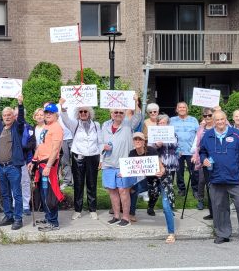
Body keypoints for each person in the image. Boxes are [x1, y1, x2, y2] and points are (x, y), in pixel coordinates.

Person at [199, 110, 239, 247]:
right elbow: (202, 151)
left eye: (222, 119)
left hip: (235, 178)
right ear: (213, 120)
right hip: (216, 178)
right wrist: (204, 159)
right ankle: (222, 234)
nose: (220, 122)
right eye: (217, 120)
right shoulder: (208, 136)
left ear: (226, 119)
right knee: (220, 208)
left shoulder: (236, 135)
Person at [100, 97, 143, 227]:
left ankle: (126, 217)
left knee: (123, 191)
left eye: (120, 112)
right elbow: (100, 142)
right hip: (108, 164)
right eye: (115, 112)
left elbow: (138, 116)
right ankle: (116, 216)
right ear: (111, 114)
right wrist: (103, 147)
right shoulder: (105, 125)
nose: (118, 114)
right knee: (112, 191)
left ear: (124, 114)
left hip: (123, 164)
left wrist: (135, 102)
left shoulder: (128, 124)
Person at [127, 131, 176, 242]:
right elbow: (130, 168)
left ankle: (171, 233)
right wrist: (123, 173)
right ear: (133, 141)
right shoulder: (132, 153)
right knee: (133, 190)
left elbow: (161, 166)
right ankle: (132, 213)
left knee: (165, 206)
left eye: (140, 139)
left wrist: (162, 171)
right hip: (150, 180)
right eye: (135, 139)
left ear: (144, 141)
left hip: (163, 179)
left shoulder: (151, 150)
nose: (138, 141)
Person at [58, 99, 102, 221]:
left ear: (89, 113)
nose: (83, 113)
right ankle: (78, 210)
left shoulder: (96, 125)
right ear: (78, 113)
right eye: (81, 111)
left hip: (93, 155)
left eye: (85, 111)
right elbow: (65, 118)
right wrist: (62, 106)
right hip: (78, 156)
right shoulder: (75, 124)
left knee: (92, 183)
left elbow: (100, 142)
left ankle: (93, 209)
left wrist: (101, 159)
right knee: (78, 183)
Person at [29, 102, 65, 232]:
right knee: (43, 193)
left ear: (56, 115)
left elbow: (55, 150)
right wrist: (33, 160)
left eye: (51, 113)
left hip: (49, 165)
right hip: (41, 163)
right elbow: (41, 146)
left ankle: (53, 222)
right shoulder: (46, 127)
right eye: (46, 113)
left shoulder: (56, 128)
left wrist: (48, 166)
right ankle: (48, 217)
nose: (48, 115)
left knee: (50, 193)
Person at [0, 95, 26, 230]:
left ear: (13, 117)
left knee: (16, 194)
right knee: (5, 194)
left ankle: (18, 218)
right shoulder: (1, 129)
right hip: (1, 167)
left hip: (13, 167)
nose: (7, 117)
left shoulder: (17, 128)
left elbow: (21, 119)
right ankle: (8, 216)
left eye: (9, 115)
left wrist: (20, 104)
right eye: (5, 115)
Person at [191, 108, 217, 219]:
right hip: (204, 160)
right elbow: (197, 144)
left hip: (217, 161)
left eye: (210, 115)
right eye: (205, 116)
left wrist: (220, 110)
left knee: (216, 186)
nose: (207, 118)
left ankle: (218, 212)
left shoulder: (219, 127)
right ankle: (211, 211)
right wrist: (194, 155)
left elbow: (227, 125)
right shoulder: (201, 129)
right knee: (204, 182)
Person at [171, 102, 199, 200]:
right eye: (180, 107)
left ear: (187, 109)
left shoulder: (193, 120)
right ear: (177, 109)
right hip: (177, 151)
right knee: (179, 171)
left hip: (191, 150)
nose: (182, 109)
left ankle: (196, 189)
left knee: (194, 171)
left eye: (184, 107)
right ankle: (181, 189)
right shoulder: (172, 120)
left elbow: (198, 134)